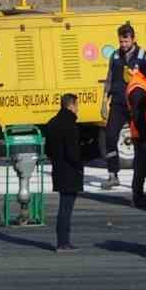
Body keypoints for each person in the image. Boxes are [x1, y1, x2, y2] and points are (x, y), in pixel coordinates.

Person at [100, 22, 146, 190]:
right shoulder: (115, 56)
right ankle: (112, 174)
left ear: (133, 39)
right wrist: (104, 100)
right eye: (121, 42)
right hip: (118, 103)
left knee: (141, 140)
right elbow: (109, 78)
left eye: (126, 41)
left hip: (137, 104)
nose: (123, 45)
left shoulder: (143, 55)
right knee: (110, 137)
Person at [43, 93, 85, 252]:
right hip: (70, 171)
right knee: (66, 208)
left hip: (58, 169)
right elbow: (73, 153)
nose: (78, 109)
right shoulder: (71, 126)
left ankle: (62, 240)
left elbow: (48, 150)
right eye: (77, 105)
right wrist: (80, 164)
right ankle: (63, 242)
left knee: (64, 206)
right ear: (71, 106)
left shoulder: (52, 123)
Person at [124, 57, 146, 211]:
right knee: (143, 166)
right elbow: (138, 115)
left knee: (144, 165)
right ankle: (140, 196)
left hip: (144, 131)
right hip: (142, 133)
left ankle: (142, 195)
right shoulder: (138, 88)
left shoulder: (144, 81)